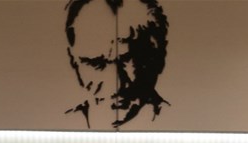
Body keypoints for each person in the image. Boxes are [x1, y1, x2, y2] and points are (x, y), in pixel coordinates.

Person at [63, 0, 169, 129]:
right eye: (96, 64)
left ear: (159, 60)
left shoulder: (174, 122)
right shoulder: (64, 125)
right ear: (73, 60)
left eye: (128, 60)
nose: (117, 84)